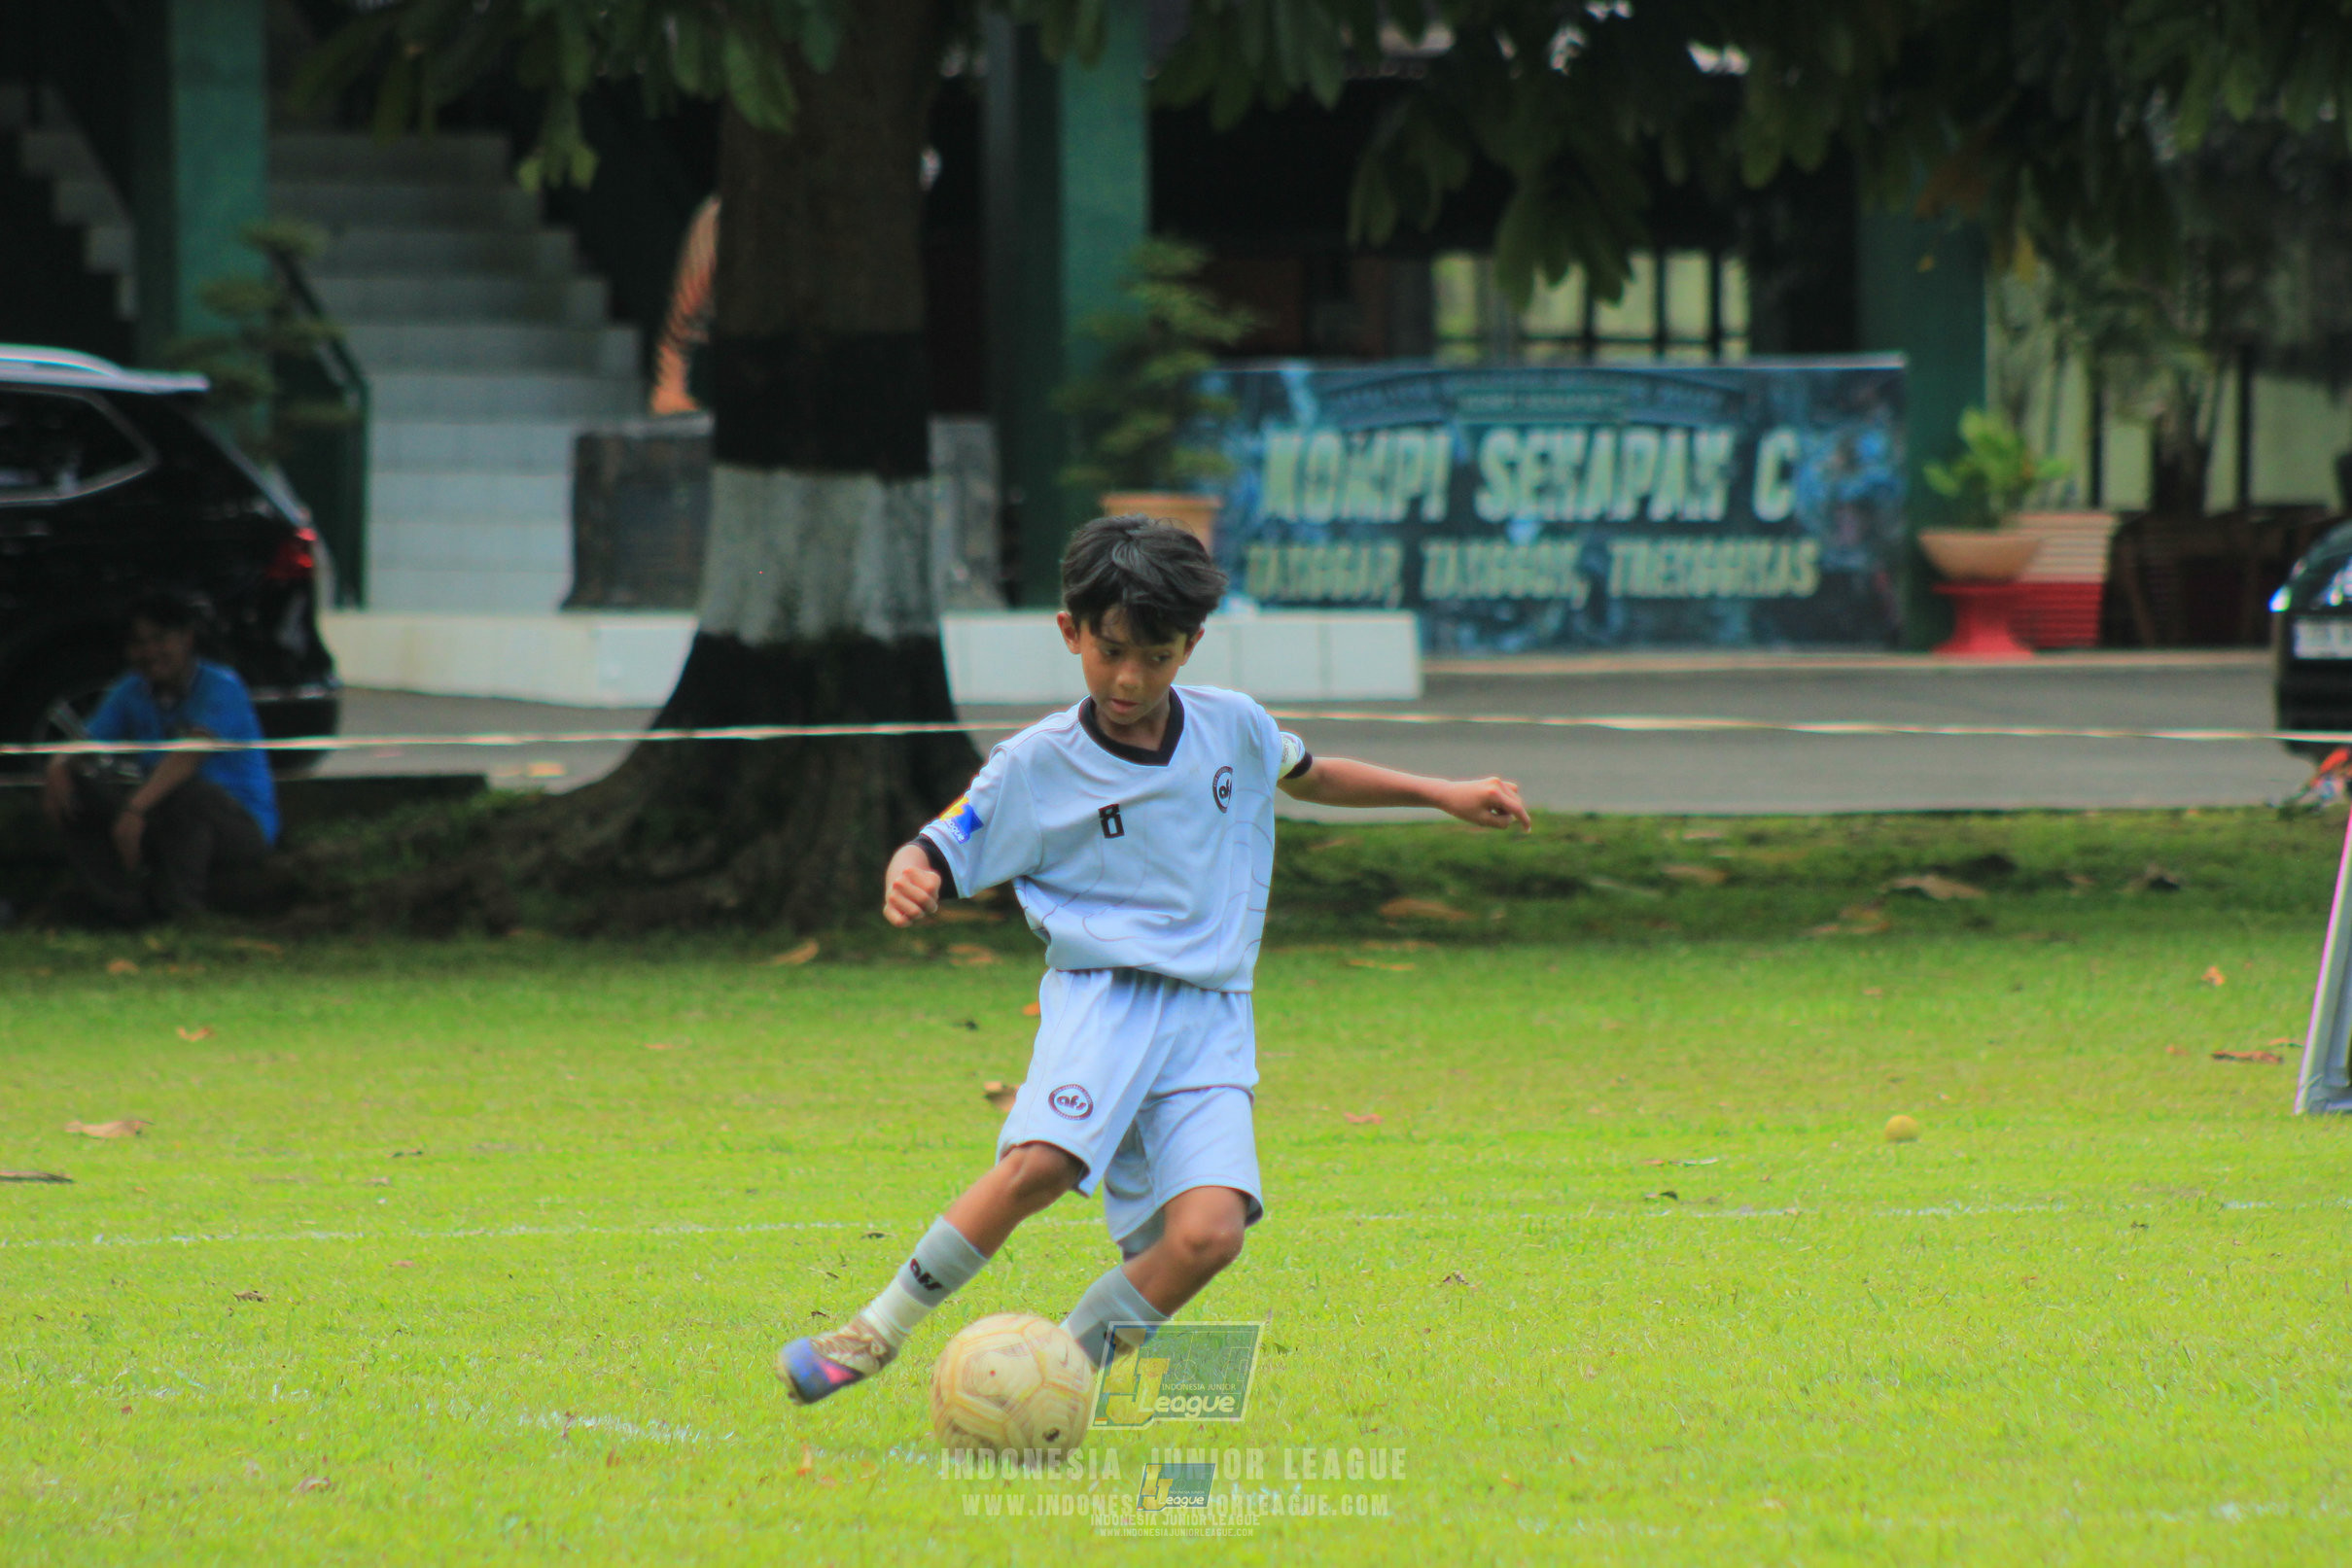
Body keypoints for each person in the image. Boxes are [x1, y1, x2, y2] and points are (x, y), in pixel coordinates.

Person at [776, 515, 1530, 1403]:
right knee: (1042, 1165)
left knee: (1210, 1235)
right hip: (1106, 997)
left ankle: (1050, 1377)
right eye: (1111, 650)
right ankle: (870, 1333)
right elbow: (942, 842)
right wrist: (910, 870)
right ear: (1071, 633)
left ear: (1191, 646)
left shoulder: (1233, 727)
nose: (1130, 677)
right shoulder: (1035, 764)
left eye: (1158, 655)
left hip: (1211, 1015)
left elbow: (1310, 773)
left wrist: (1441, 793)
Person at [42, 589, 280, 922]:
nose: (150, 652)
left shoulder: (222, 686)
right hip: (161, 812)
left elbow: (189, 756)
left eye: (160, 639)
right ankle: (119, 906)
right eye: (138, 643)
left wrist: (135, 808)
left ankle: (180, 911)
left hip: (238, 824)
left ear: (187, 638)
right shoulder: (131, 689)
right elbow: (87, 742)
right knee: (74, 788)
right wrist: (59, 764)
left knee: (189, 793)